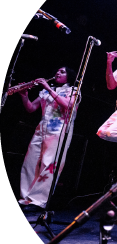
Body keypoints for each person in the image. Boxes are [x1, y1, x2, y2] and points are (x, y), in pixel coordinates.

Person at [18, 66, 79, 210]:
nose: (58, 72)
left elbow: (68, 106)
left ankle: (38, 201)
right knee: (30, 162)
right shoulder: (46, 91)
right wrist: (24, 95)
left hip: (58, 130)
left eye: (62, 72)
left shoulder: (73, 91)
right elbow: (31, 108)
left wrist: (47, 87)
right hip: (41, 129)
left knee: (49, 164)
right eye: (57, 70)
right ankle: (26, 198)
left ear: (69, 77)